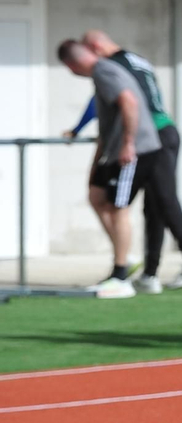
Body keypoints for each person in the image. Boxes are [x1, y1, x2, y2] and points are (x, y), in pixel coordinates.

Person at [75, 31, 182, 293]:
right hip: (162, 130)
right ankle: (150, 273)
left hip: (152, 134)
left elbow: (108, 101)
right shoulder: (137, 60)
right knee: (154, 205)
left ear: (95, 47)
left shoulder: (109, 66)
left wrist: (79, 127)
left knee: (163, 198)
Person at [56, 39, 162, 299]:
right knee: (97, 196)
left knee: (117, 207)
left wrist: (128, 145)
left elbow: (129, 102)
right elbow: (104, 119)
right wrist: (97, 160)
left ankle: (120, 275)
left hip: (134, 149)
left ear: (72, 64)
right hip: (114, 150)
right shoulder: (101, 73)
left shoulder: (104, 71)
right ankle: (125, 256)